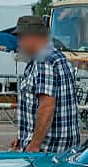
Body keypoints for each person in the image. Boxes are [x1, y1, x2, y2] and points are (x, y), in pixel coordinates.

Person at [12, 15, 83, 154]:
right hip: (64, 148)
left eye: (20, 38)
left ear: (32, 37)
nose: (19, 43)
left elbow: (47, 107)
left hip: (48, 150)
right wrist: (23, 137)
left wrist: (34, 145)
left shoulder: (44, 61)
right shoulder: (58, 57)